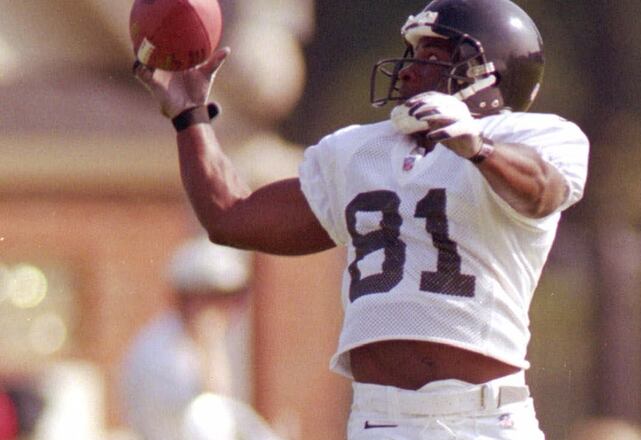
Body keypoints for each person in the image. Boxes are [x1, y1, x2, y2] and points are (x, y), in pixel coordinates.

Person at [133, 0, 589, 438]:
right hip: (381, 420)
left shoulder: (532, 138)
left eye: (431, 55)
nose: (409, 68)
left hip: (483, 417)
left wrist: (478, 148)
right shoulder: (358, 152)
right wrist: (191, 116)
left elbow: (542, 193)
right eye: (413, 53)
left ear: (486, 73)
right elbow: (230, 217)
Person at [120, 236, 279, 440]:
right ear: (188, 298)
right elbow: (209, 416)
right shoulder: (161, 353)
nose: (228, 309)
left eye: (234, 298)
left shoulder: (197, 344)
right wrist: (210, 347)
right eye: (217, 297)